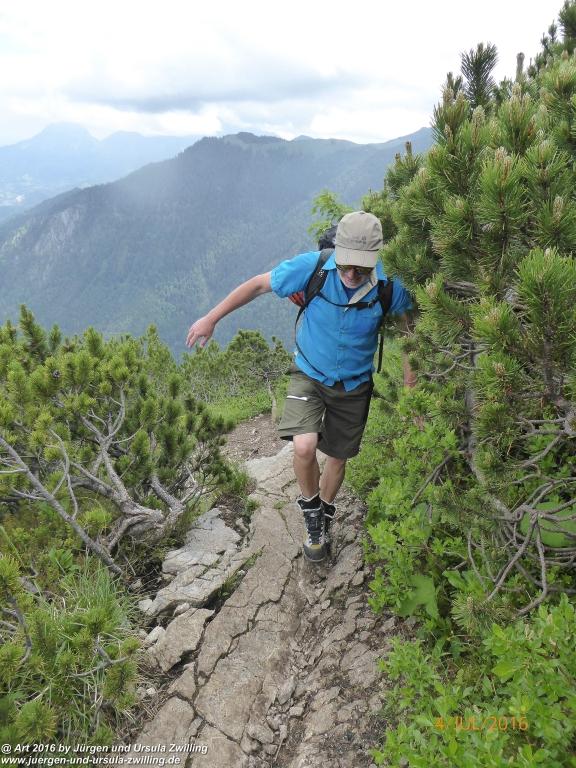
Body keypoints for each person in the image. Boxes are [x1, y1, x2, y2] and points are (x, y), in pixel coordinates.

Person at [186, 211, 415, 563]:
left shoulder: (388, 286)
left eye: (362, 268)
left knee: (338, 458)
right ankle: (312, 520)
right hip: (308, 371)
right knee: (305, 447)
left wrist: (411, 388)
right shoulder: (314, 268)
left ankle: (323, 515)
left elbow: (409, 326)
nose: (352, 275)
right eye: (346, 265)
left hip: (354, 384)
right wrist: (211, 318)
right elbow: (258, 284)